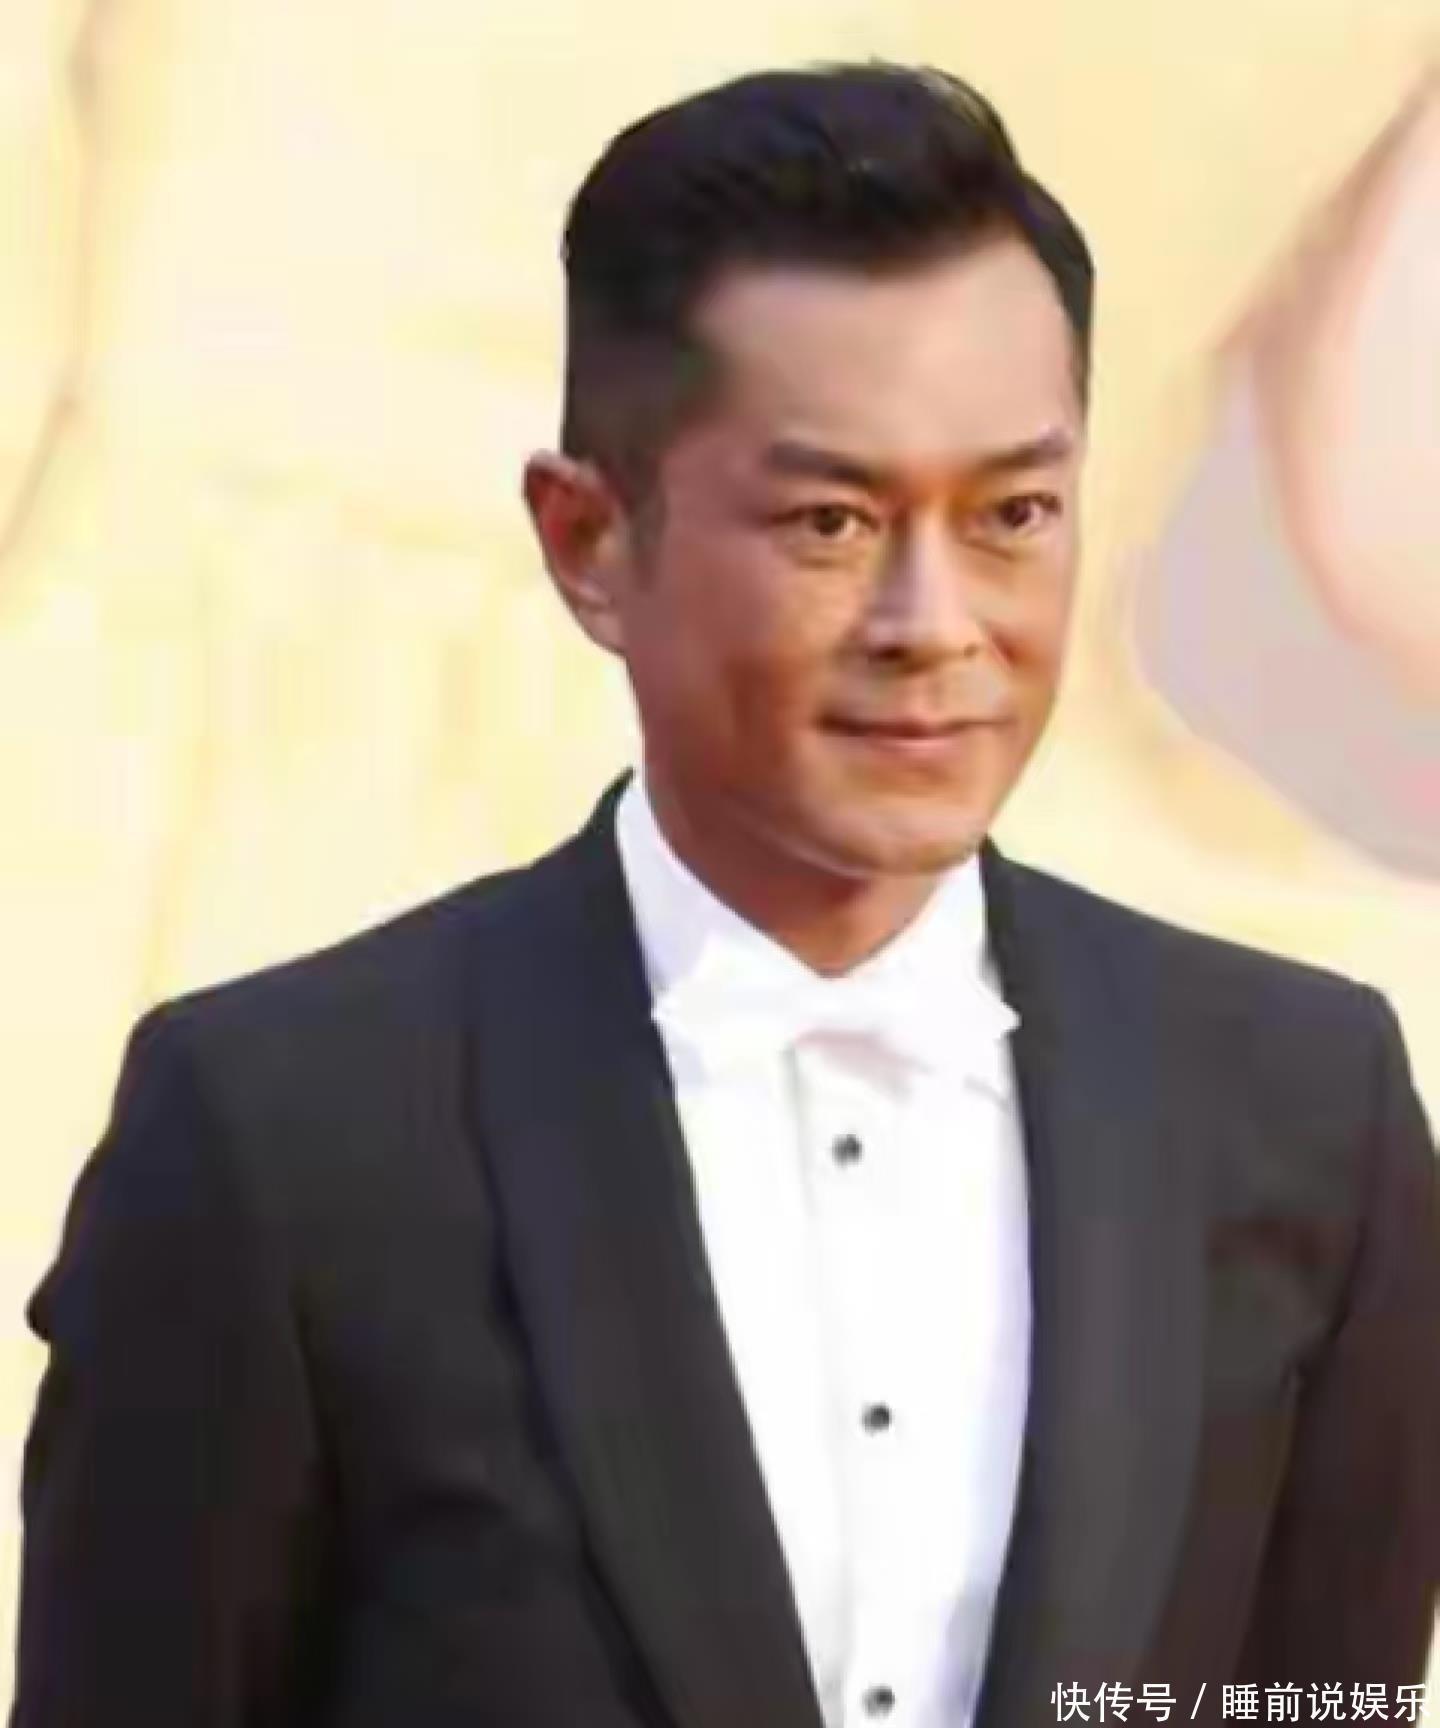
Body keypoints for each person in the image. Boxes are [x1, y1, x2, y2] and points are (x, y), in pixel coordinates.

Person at [9, 62, 1439, 1728]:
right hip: (180, 796)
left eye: (1014, 508)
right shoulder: (258, 1118)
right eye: (832, 514)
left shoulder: (1312, 1120)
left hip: (171, 759)